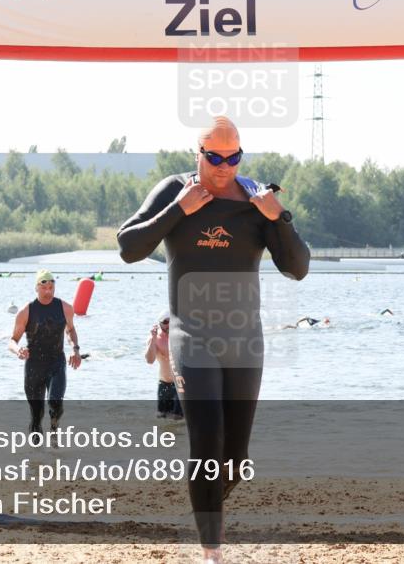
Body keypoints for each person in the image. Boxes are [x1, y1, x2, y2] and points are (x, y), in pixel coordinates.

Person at [117, 116, 310, 563]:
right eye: (215, 157)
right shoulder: (174, 191)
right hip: (192, 336)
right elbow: (128, 247)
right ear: (198, 153)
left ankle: (205, 508)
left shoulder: (256, 199)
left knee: (236, 459)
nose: (224, 166)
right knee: (207, 445)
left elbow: (297, 267)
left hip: (245, 341)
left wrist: (278, 218)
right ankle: (211, 552)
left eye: (233, 157)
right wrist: (179, 210)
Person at [8, 269, 82, 437]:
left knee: (56, 403)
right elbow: (12, 341)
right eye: (44, 288)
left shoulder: (65, 308)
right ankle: (36, 458)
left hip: (56, 363)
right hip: (34, 366)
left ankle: (54, 433)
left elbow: (70, 330)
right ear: (36, 288)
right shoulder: (26, 312)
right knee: (36, 415)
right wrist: (18, 350)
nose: (48, 291)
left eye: (51, 287)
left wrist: (75, 349)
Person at [144, 313, 182, 420]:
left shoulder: (181, 337)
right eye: (165, 322)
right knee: (161, 417)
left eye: (171, 321)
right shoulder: (155, 339)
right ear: (159, 324)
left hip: (179, 384)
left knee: (177, 417)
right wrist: (153, 339)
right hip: (164, 383)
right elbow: (150, 360)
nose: (168, 324)